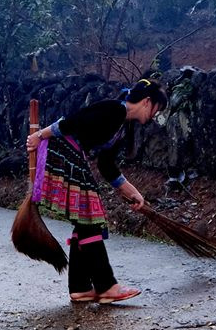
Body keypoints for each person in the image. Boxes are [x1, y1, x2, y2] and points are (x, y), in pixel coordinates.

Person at [25, 78, 168, 304]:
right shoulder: (113, 110)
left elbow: (106, 166)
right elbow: (72, 122)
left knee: (85, 219)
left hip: (72, 157)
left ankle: (80, 288)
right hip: (63, 153)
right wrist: (39, 135)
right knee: (91, 218)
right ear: (147, 102)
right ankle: (107, 286)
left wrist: (133, 192)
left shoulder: (122, 126)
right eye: (157, 110)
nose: (154, 117)